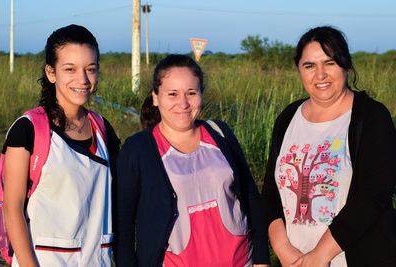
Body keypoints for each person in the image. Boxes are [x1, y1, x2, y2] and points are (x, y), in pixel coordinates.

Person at [114, 54, 270, 266]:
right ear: (155, 97)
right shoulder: (137, 149)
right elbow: (123, 225)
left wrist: (261, 260)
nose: (183, 103)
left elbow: (251, 197)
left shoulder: (219, 132)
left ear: (201, 95)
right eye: (172, 94)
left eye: (191, 93)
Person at [261, 26, 396, 267]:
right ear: (299, 70)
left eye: (330, 63)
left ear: (345, 65)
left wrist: (320, 256)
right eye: (309, 66)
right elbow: (271, 193)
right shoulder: (288, 117)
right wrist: (284, 251)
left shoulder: (372, 116)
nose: (320, 75)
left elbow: (373, 196)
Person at [2, 24, 120, 266]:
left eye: (90, 69)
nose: (83, 79)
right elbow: (11, 209)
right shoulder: (28, 129)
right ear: (51, 72)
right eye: (70, 69)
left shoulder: (103, 128)